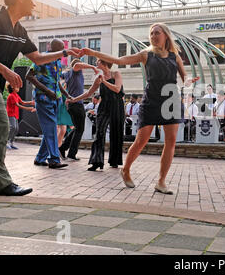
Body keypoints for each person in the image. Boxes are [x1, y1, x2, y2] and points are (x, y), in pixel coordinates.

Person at [82, 23, 199, 194]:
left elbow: (184, 77)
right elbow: (119, 60)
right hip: (152, 99)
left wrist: (188, 82)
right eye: (151, 33)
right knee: (141, 140)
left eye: (157, 33)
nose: (153, 36)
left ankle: (161, 181)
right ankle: (126, 169)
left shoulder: (175, 56)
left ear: (165, 35)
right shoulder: (146, 55)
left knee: (171, 141)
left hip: (171, 99)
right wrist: (93, 53)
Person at [0, 0, 80, 196]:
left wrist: (64, 54)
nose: (34, 2)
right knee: (2, 126)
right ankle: (1, 183)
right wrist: (6, 71)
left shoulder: (20, 30)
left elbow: (37, 58)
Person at [68, 59, 125, 171]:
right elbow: (89, 93)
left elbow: (117, 89)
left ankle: (114, 161)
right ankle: (96, 161)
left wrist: (104, 81)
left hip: (117, 105)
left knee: (116, 134)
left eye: (98, 61)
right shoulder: (99, 78)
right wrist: (74, 99)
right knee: (99, 132)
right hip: (104, 107)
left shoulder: (116, 74)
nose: (96, 63)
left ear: (104, 63)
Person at [26, 39, 73, 170]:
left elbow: (57, 81)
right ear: (55, 48)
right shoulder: (43, 58)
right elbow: (28, 76)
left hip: (56, 99)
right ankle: (53, 159)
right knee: (51, 128)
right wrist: (47, 91)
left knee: (50, 129)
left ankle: (40, 158)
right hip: (44, 98)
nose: (63, 52)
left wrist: (66, 95)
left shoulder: (58, 62)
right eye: (61, 49)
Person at [59, 59, 99, 161]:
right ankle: (71, 153)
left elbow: (60, 79)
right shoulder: (74, 72)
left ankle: (63, 148)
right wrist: (93, 67)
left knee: (78, 128)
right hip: (76, 104)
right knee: (80, 129)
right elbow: (77, 64)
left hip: (72, 104)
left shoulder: (67, 73)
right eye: (82, 67)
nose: (83, 69)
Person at [6, 84, 36, 150]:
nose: (18, 88)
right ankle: (6, 142)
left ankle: (11, 142)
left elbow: (22, 102)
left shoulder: (16, 95)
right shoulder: (11, 96)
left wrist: (31, 102)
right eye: (17, 86)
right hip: (11, 114)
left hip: (15, 114)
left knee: (16, 129)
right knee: (13, 127)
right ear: (12, 88)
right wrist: (27, 109)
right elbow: (18, 105)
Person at [57, 81, 74, 152]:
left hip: (67, 111)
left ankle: (59, 148)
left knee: (63, 131)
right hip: (62, 110)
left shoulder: (72, 89)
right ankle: (58, 149)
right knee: (62, 131)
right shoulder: (63, 88)